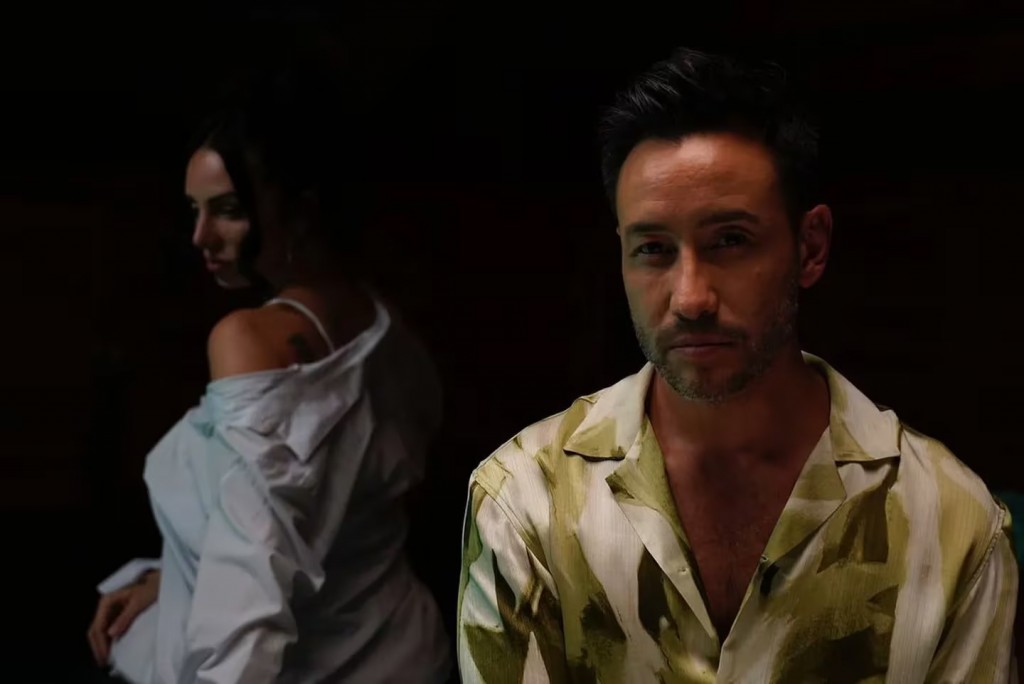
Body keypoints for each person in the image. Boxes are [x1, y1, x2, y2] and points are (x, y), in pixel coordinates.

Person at [457, 47, 1018, 682]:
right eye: (653, 249)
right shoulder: (527, 500)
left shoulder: (950, 523)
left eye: (731, 241)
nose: (691, 297)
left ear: (810, 247)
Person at [86, 68, 452, 683]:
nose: (200, 236)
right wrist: (171, 581)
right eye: (195, 211)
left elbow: (249, 583)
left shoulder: (248, 340)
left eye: (228, 211)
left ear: (300, 208)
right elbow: (307, 523)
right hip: (403, 652)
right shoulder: (382, 322)